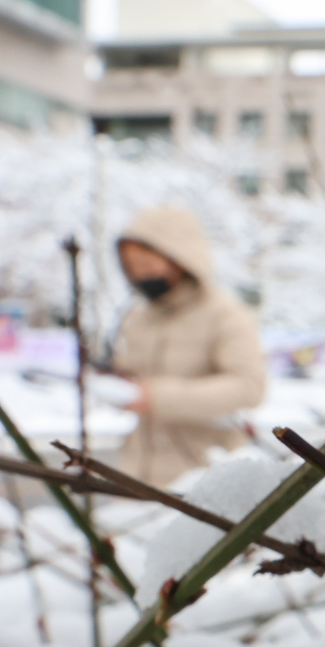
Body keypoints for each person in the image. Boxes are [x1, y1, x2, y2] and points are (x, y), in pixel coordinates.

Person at [112, 206, 266, 488]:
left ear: (179, 259)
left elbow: (250, 386)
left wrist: (156, 397)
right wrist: (117, 383)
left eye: (147, 265)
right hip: (137, 474)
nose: (139, 275)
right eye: (132, 267)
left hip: (203, 476)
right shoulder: (139, 318)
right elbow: (134, 374)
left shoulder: (225, 314)